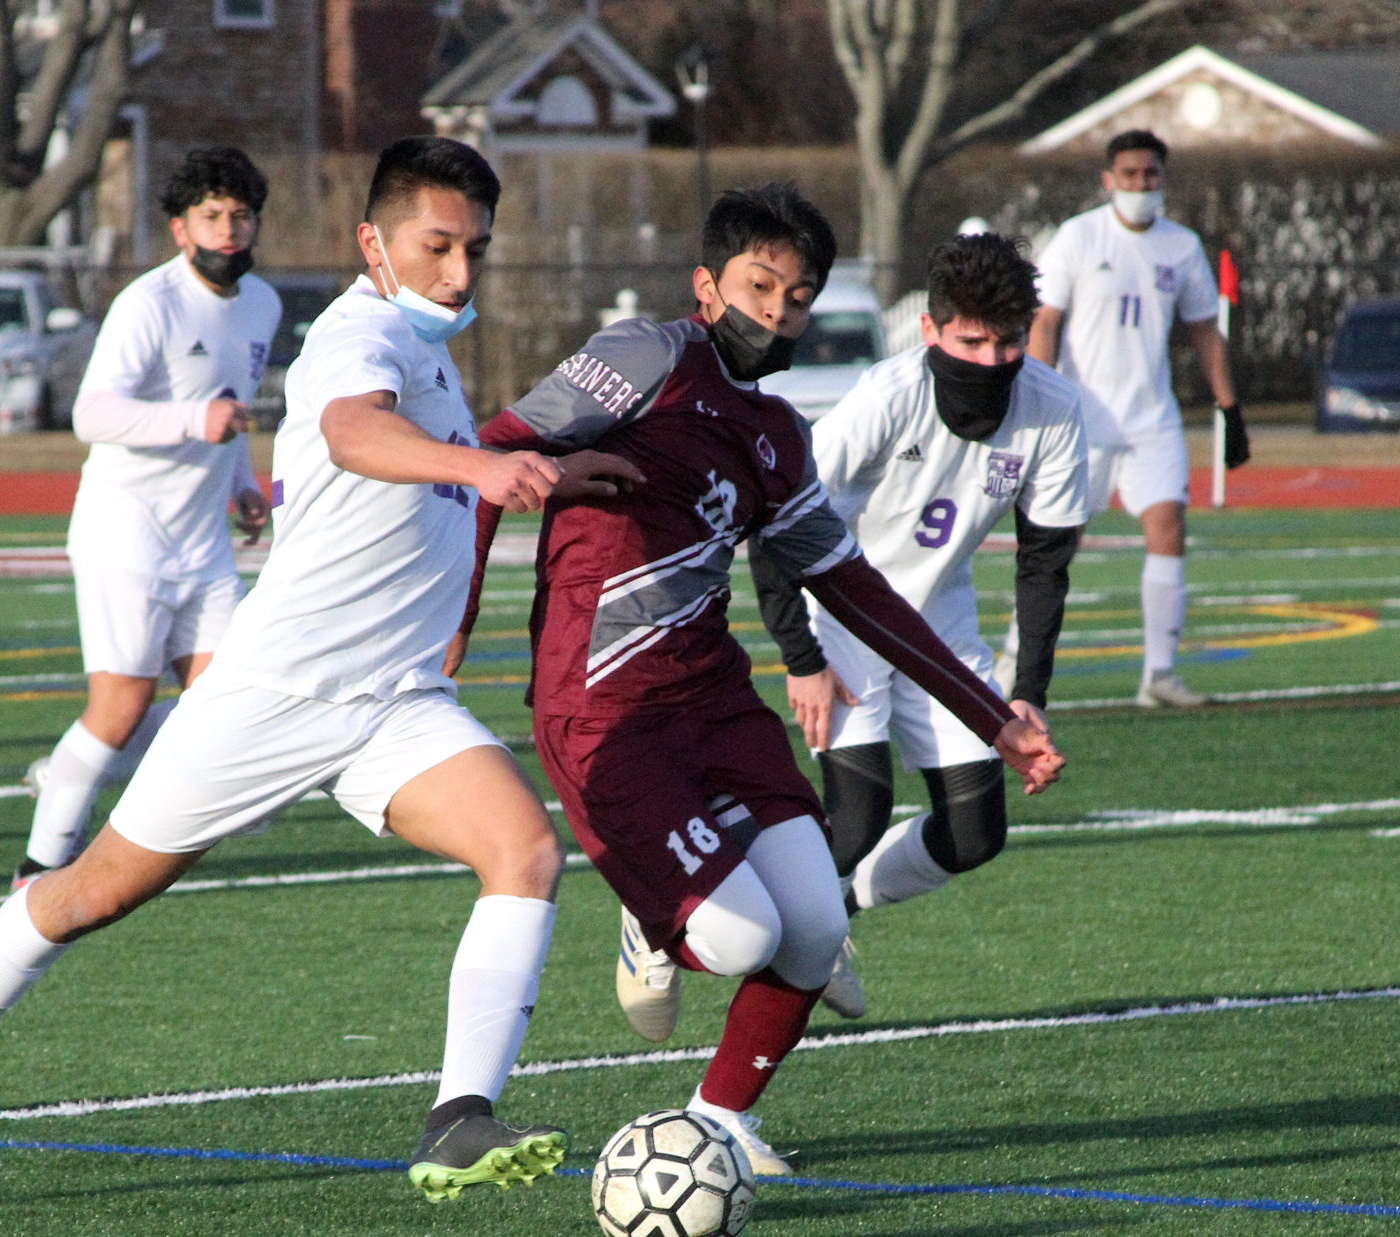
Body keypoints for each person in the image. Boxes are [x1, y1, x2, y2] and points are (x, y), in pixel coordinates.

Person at [0, 137, 636, 1202]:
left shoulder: (433, 358)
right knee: (91, 896)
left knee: (524, 853)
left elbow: (434, 501)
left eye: (476, 250)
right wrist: (484, 466)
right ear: (375, 242)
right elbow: (356, 432)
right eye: (436, 245)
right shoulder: (354, 336)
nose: (460, 271)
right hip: (273, 692)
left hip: (394, 703)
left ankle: (458, 1116)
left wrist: (539, 480)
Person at [468, 184, 1063, 1177]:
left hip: (714, 704)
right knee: (742, 939)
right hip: (604, 707)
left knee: (820, 925)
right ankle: (650, 918)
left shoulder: (778, 435)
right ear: (707, 286)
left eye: (798, 296)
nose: (777, 312)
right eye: (759, 285)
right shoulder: (642, 358)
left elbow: (847, 583)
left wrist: (992, 718)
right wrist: (449, 616)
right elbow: (493, 452)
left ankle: (719, 1124)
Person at [755, 231, 1088, 1019]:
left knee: (974, 835)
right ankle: (668, 909)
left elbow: (1044, 564)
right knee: (855, 821)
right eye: (971, 340)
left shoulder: (1053, 407)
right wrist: (802, 657)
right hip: (842, 616)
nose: (991, 359)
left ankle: (830, 920)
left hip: (939, 624)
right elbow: (779, 523)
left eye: (1008, 341)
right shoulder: (886, 394)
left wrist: (1026, 692)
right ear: (932, 331)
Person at [16, 146, 281, 888]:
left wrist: (243, 485)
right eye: (211, 216)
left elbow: (225, 412)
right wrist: (197, 419)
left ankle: (70, 769)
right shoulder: (150, 303)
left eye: (240, 215)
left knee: (226, 705)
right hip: (125, 535)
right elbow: (91, 414)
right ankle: (35, 872)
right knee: (121, 707)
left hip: (204, 546)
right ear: (179, 228)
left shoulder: (262, 305)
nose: (228, 230)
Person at [1008, 128, 1245, 709]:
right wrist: (1042, 397)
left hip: (1152, 419)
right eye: (1130, 175)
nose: (1141, 185)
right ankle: (1012, 666)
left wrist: (1229, 408)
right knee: (1055, 546)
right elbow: (1045, 321)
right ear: (1108, 179)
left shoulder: (1181, 246)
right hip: (1081, 421)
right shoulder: (1079, 237)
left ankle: (1159, 676)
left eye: (1151, 175)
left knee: (1169, 531)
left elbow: (1205, 332)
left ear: (1164, 179)